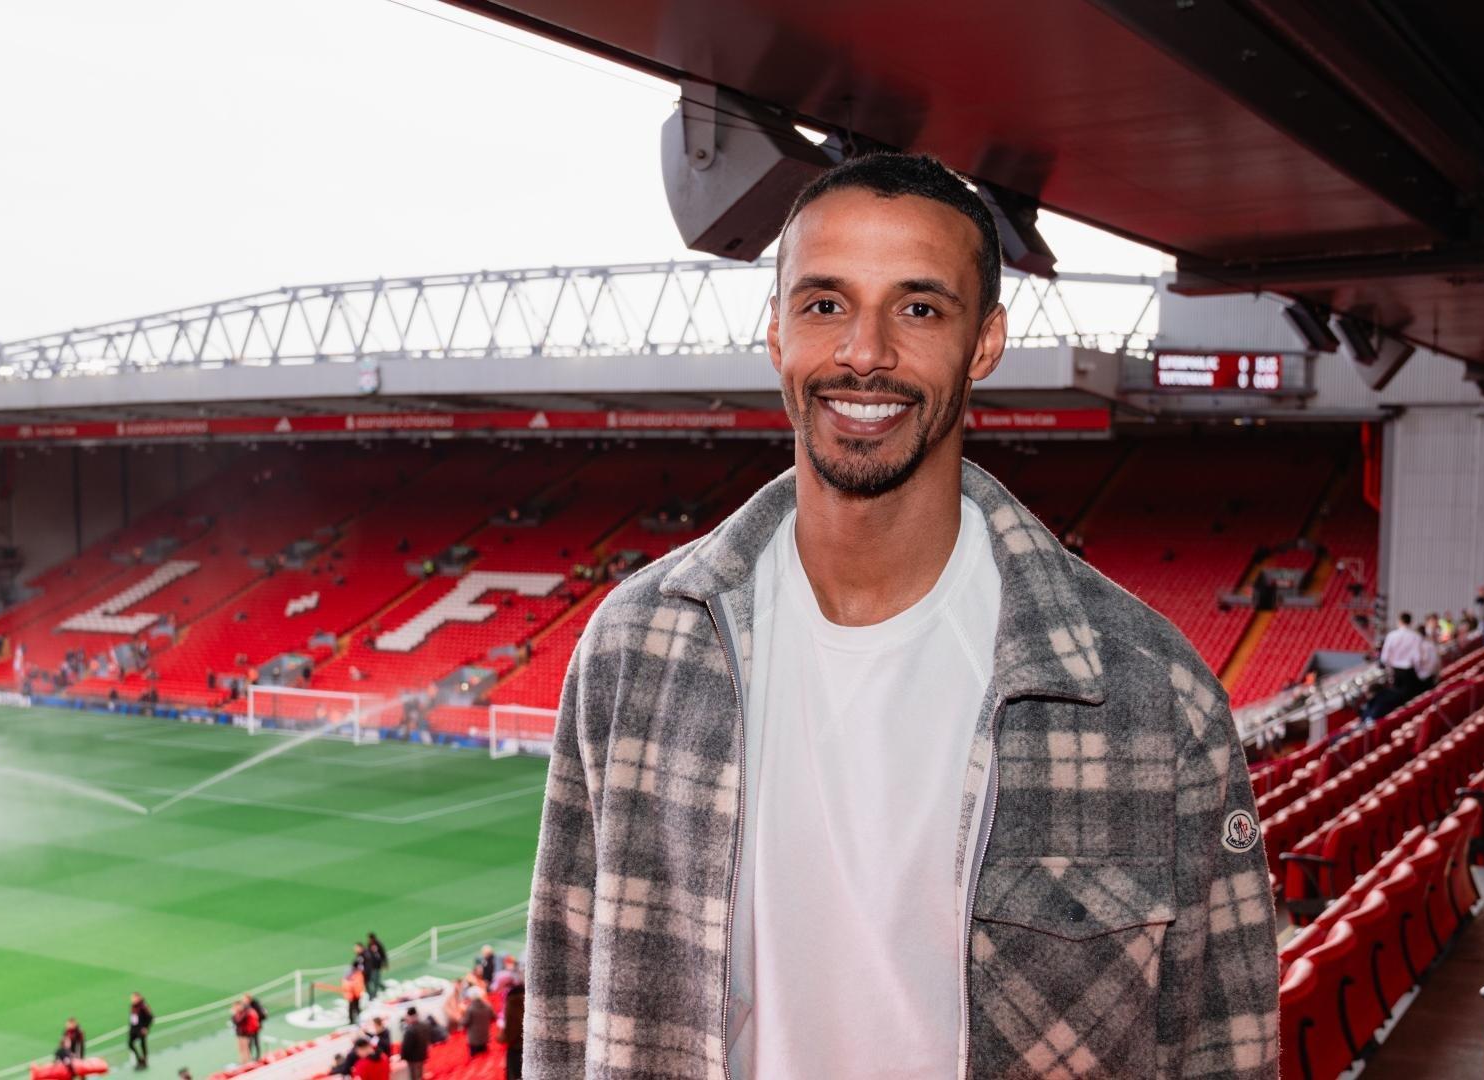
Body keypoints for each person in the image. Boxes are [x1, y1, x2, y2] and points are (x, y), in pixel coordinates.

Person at [522, 152, 1278, 1079]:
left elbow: (1222, 1048)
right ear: (776, 331)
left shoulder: (1152, 696)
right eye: (824, 303)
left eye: (918, 309)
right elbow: (563, 1005)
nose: (864, 352)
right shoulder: (634, 649)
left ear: (985, 342)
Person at [1379, 611, 1429, 699]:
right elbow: (1418, 658)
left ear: (1400, 621)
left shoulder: (1392, 635)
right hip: (1410, 671)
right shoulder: (1416, 636)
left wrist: (1390, 670)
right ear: (1410, 622)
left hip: (1396, 671)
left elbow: (1385, 657)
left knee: (1396, 698)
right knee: (1409, 698)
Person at [499, 977, 525, 1080]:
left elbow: (510, 1032)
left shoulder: (513, 1002)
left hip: (517, 1049)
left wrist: (501, 1037)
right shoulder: (530, 1000)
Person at [399, 1008, 432, 1080]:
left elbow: (406, 1047)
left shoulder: (410, 1030)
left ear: (409, 1016)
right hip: (422, 1055)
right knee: (420, 1075)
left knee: (414, 1077)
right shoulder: (424, 1025)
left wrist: (402, 1057)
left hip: (413, 1059)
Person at [464, 987, 494, 1057]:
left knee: (475, 1058)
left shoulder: (470, 1009)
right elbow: (493, 1017)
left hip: (474, 1040)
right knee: (484, 1057)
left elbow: (465, 1022)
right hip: (485, 1037)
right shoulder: (488, 1006)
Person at [232, 994, 263, 1064]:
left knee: (247, 1047)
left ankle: (248, 1061)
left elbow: (238, 1021)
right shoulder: (243, 1011)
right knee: (243, 1048)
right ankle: (244, 1061)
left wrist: (235, 1014)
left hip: (245, 1033)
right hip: (242, 1032)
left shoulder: (245, 1011)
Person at [126, 992, 152, 1070]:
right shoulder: (133, 1006)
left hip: (141, 1029)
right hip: (134, 1029)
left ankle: (144, 1061)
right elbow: (133, 1018)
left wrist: (146, 1028)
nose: (132, 999)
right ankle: (139, 1059)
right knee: (130, 1044)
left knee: (142, 1045)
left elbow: (150, 1017)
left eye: (134, 998)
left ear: (138, 998)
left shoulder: (143, 1006)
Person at [365, 932, 389, 997]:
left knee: (375, 980)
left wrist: (385, 963)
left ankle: (375, 994)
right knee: (373, 979)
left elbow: (383, 954)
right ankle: (383, 988)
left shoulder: (378, 943)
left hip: (378, 965)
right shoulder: (369, 944)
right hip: (371, 965)